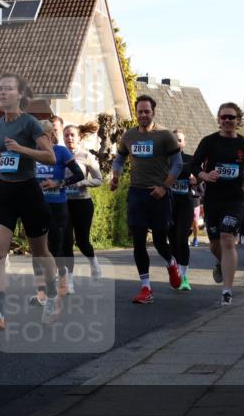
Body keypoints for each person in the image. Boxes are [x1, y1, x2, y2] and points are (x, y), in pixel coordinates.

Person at [0, 73, 60, 330]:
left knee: (40, 253)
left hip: (29, 192)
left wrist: (22, 149)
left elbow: (50, 158)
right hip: (5, 193)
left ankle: (53, 297)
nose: (2, 93)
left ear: (20, 95)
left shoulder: (30, 123)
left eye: (8, 89)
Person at [111, 95, 183, 305]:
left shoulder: (165, 136)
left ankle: (171, 263)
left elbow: (177, 165)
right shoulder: (129, 136)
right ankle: (145, 288)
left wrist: (164, 187)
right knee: (139, 241)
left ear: (153, 112)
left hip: (158, 193)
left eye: (147, 112)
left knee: (160, 241)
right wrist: (115, 176)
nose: (143, 115)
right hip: (137, 193)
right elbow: (120, 158)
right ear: (136, 113)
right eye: (140, 112)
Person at [190, 102, 244, 306]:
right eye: (224, 117)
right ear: (219, 120)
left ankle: (227, 291)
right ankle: (222, 264)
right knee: (215, 244)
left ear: (238, 120)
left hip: (234, 199)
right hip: (213, 200)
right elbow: (194, 166)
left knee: (228, 238)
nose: (227, 121)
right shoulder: (209, 142)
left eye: (231, 117)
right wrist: (206, 175)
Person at [32, 119, 84, 303]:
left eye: (42, 134)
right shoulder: (32, 153)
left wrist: (58, 183)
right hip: (36, 206)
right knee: (37, 250)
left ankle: (61, 273)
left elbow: (79, 174)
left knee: (54, 248)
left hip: (57, 206)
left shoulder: (61, 152)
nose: (38, 138)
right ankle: (41, 292)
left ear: (50, 135)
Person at [62, 123, 104, 289]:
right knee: (66, 242)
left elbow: (99, 179)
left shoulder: (86, 156)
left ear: (79, 137)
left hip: (82, 203)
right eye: (66, 135)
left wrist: (82, 182)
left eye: (72, 135)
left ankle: (93, 263)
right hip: (64, 203)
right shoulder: (59, 155)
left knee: (82, 241)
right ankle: (69, 281)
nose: (69, 138)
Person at [168, 129, 198, 290]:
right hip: (169, 204)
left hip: (185, 203)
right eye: (174, 140)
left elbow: (198, 176)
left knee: (181, 239)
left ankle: (184, 277)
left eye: (180, 140)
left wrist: (195, 178)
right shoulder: (164, 159)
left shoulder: (190, 160)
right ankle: (176, 273)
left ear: (184, 142)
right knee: (172, 241)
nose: (177, 142)